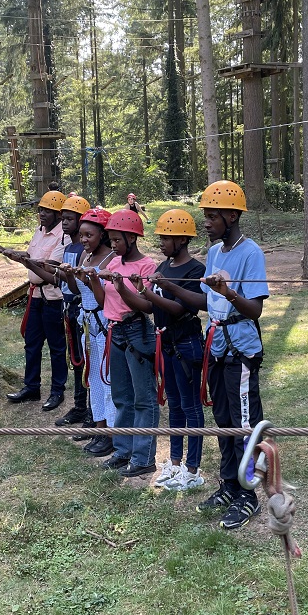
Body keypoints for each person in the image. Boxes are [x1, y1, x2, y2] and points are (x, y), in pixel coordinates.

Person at [186, 180, 270, 530]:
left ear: (232, 216)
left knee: (243, 423)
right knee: (223, 419)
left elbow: (255, 310)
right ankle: (230, 485)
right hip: (217, 346)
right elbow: (210, 302)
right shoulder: (214, 253)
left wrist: (229, 292)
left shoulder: (251, 254)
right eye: (205, 216)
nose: (205, 223)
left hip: (241, 349)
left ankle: (249, 494)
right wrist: (168, 287)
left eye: (212, 216)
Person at [132, 209, 206, 492]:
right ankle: (175, 463)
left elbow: (180, 309)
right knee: (174, 404)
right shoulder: (163, 267)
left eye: (166, 238)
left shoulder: (195, 271)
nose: (161, 242)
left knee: (191, 406)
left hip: (186, 343)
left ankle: (193, 469)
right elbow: (154, 307)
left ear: (182, 240)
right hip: (166, 343)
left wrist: (160, 288)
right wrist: (142, 291)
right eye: (161, 237)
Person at [0, 190, 69, 411]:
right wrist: (7, 251)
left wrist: (22, 260)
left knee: (56, 347)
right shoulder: (39, 231)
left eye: (48, 211)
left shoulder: (63, 237)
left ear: (58, 214)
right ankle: (31, 387)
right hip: (35, 295)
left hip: (53, 298)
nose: (42, 214)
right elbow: (29, 255)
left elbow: (48, 265)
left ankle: (57, 391)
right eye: (41, 210)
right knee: (32, 344)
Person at [96, 209, 158, 478]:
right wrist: (92, 280)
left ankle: (144, 457)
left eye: (117, 240)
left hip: (137, 331)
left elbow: (147, 305)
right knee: (121, 396)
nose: (113, 245)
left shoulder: (146, 267)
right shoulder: (113, 263)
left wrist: (121, 287)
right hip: (116, 331)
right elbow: (104, 301)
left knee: (143, 398)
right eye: (110, 239)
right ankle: (123, 450)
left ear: (132, 238)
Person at [61, 208, 118, 457]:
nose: (83, 240)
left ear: (102, 235)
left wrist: (88, 279)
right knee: (93, 379)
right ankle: (99, 426)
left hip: (104, 324)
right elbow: (77, 290)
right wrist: (69, 275)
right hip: (88, 324)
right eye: (82, 235)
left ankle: (112, 434)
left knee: (107, 381)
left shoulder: (111, 260)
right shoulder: (86, 256)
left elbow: (106, 299)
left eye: (89, 235)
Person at [52, 195, 93, 429]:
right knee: (76, 360)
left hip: (81, 309)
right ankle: (79, 406)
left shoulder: (84, 251)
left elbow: (77, 284)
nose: (64, 223)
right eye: (63, 219)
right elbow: (60, 280)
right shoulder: (68, 248)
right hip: (68, 308)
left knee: (86, 361)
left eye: (69, 219)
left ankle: (91, 410)